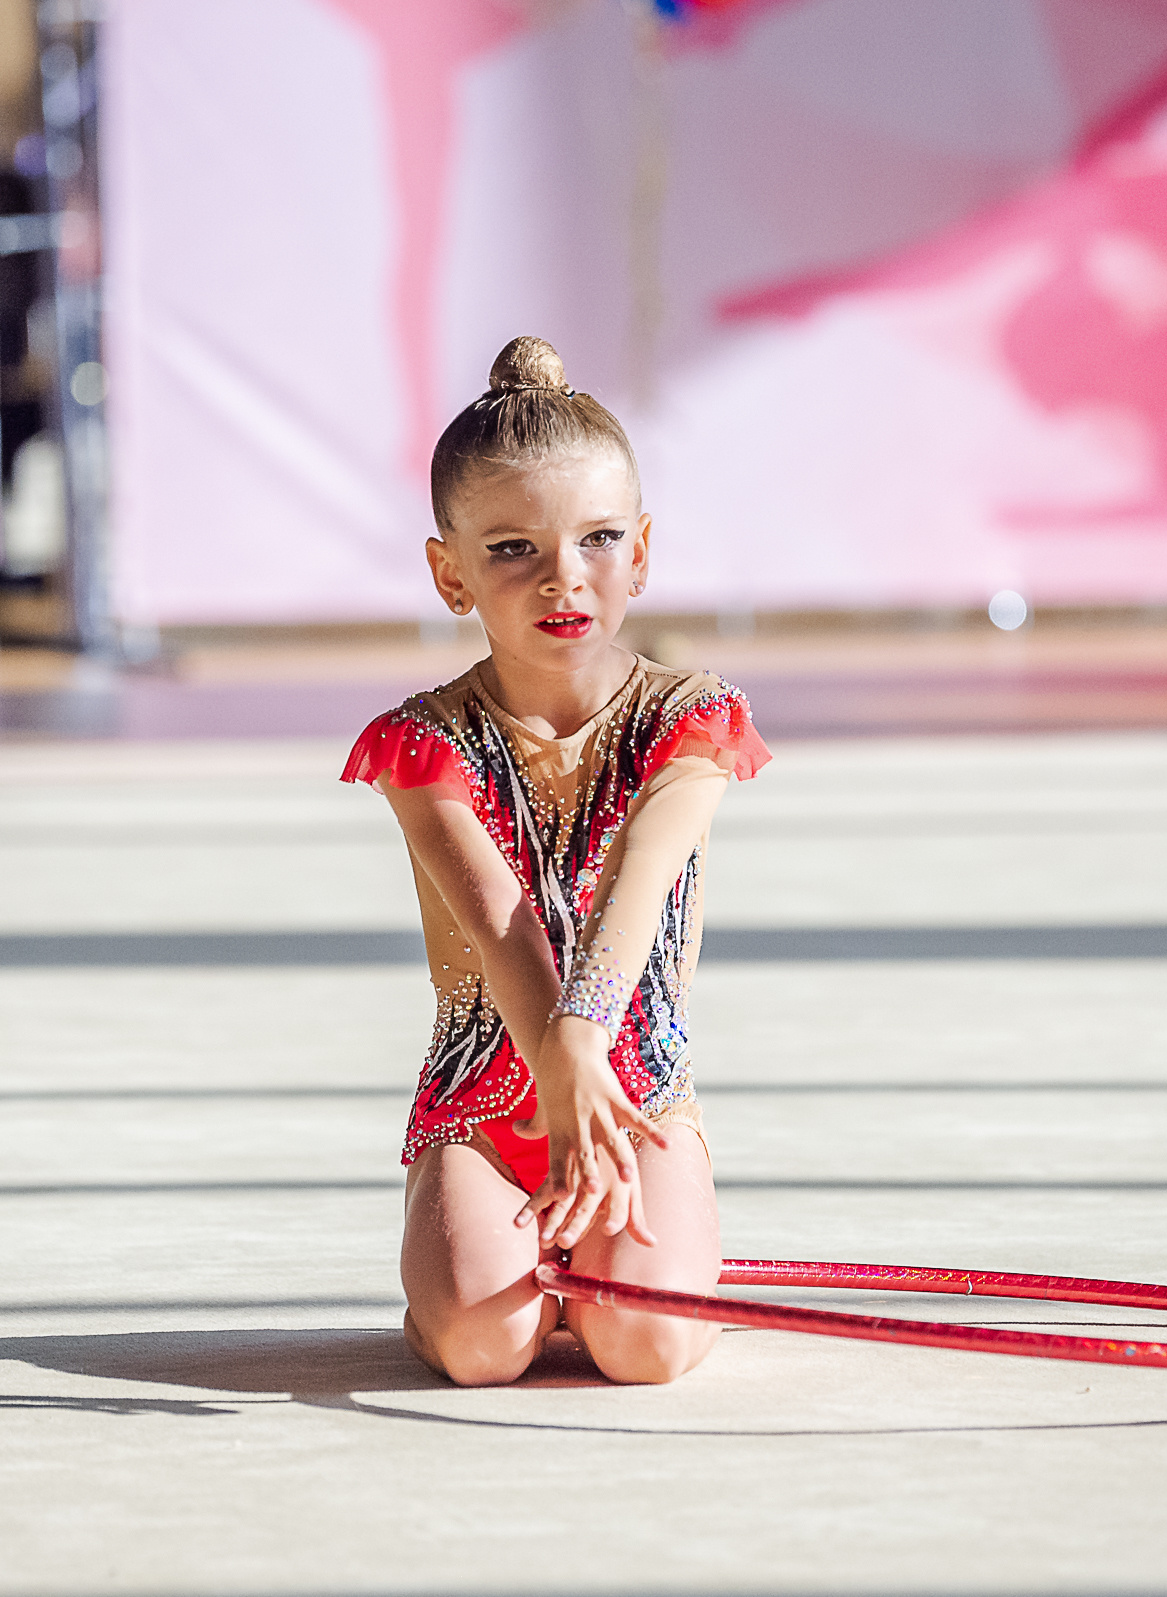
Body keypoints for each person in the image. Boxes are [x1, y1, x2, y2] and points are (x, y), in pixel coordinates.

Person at [342, 335, 770, 1386]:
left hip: (634, 1092)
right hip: (485, 1104)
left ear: (642, 552)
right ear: (449, 572)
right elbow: (498, 920)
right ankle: (472, 1269)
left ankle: (637, 1259)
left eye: (598, 539)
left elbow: (636, 887)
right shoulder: (425, 743)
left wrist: (583, 1049)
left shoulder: (691, 718)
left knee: (646, 1344)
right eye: (512, 549)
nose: (563, 578)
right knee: (484, 1348)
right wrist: (551, 1061)